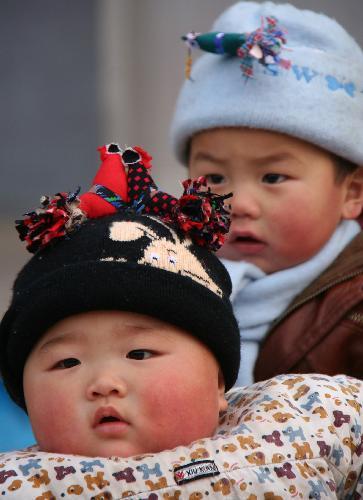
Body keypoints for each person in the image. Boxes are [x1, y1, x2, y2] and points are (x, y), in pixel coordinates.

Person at [0, 144, 362, 498]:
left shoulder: (295, 424)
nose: (103, 383)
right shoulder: (17, 482)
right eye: (67, 362)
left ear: (219, 382)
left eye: (139, 354)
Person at [170, 1, 363, 386]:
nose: (238, 204)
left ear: (351, 193)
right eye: (214, 178)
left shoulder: (354, 312)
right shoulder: (158, 274)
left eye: (273, 177)